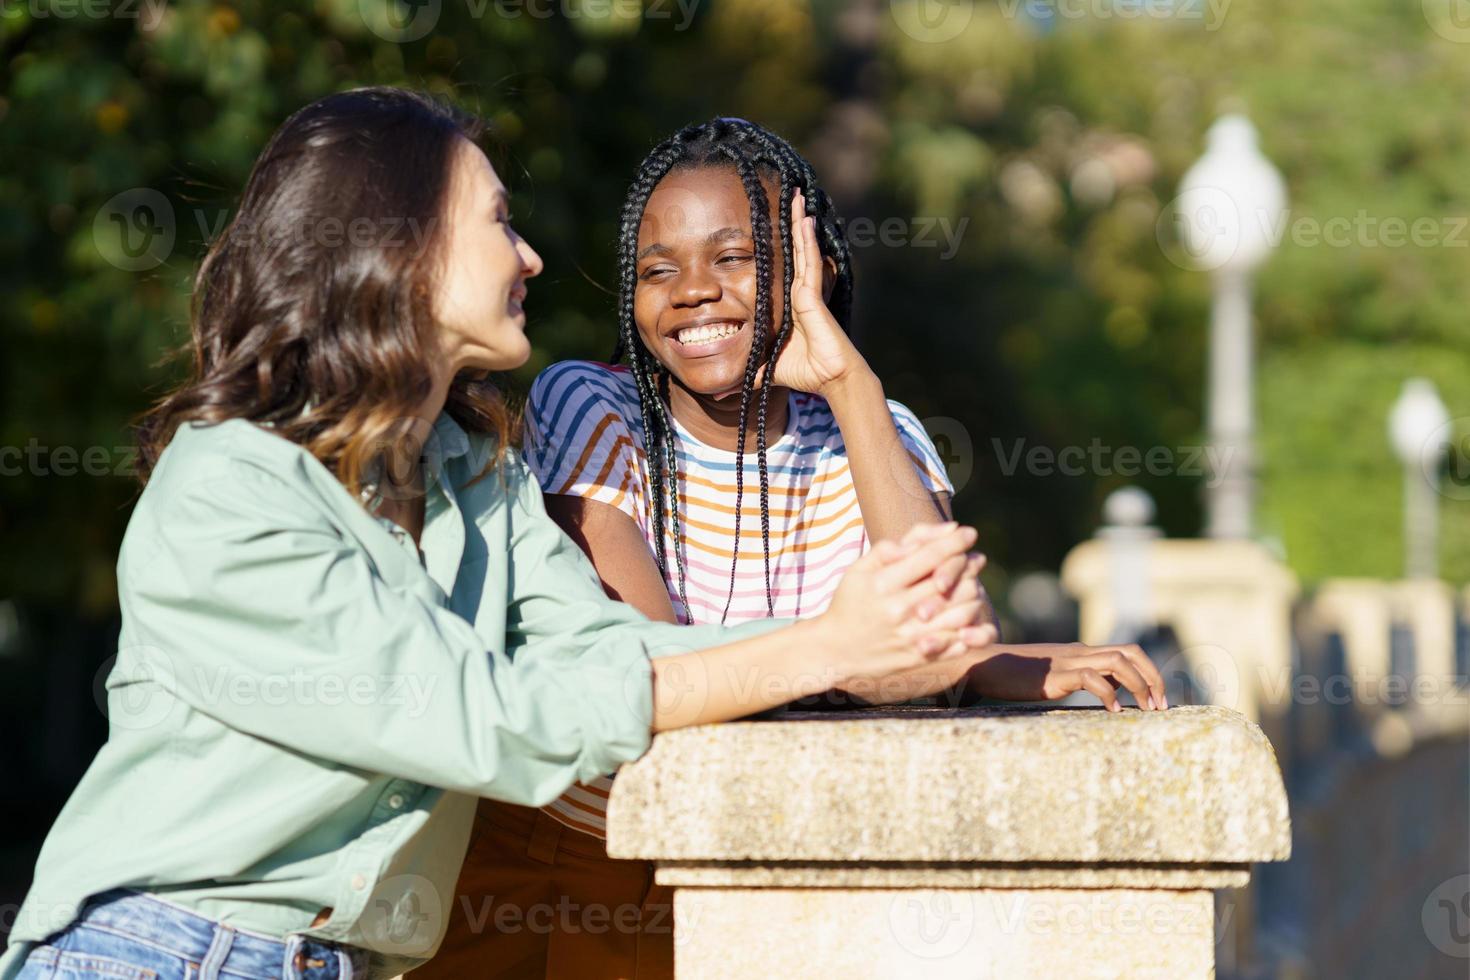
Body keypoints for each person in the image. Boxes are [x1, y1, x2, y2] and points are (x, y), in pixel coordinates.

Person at [0, 90, 996, 980]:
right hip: (161, 947)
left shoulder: (476, 475)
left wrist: (865, 654)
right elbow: (480, 711)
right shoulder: (231, 486)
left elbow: (607, 646)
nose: (531, 256)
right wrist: (826, 646)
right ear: (398, 244)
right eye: (498, 221)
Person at [419, 118, 1167, 978]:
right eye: (657, 270)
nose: (692, 291)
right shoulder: (591, 406)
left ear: (816, 266)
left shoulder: (877, 434)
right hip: (562, 857)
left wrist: (852, 386)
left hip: (753, 865)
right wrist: (929, 665)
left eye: (733, 257)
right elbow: (655, 674)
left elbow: (940, 634)